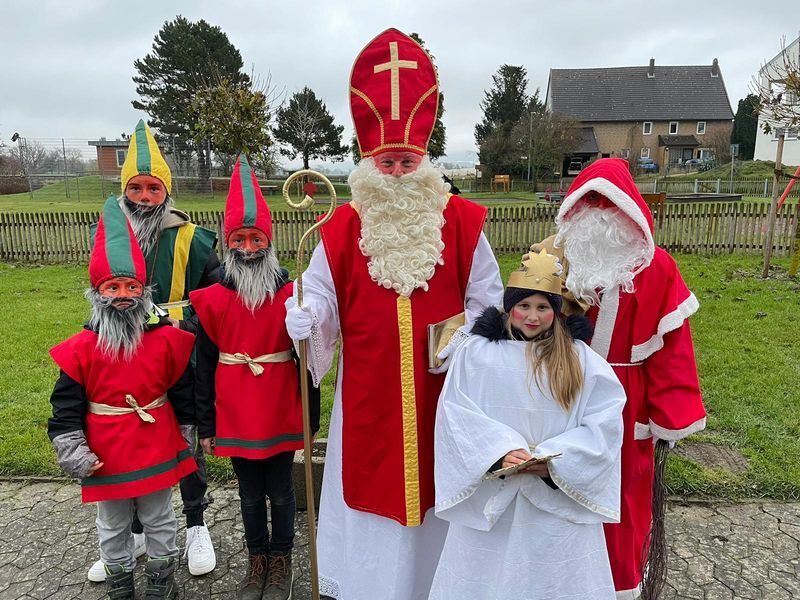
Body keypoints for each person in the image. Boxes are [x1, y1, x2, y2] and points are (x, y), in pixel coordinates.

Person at [284, 28, 503, 599]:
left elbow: (489, 301)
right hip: (368, 397)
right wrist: (305, 317)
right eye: (388, 162)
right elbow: (319, 294)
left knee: (444, 495)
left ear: (425, 160)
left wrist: (461, 339)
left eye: (408, 160)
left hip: (446, 393)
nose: (400, 173)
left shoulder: (464, 223)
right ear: (368, 162)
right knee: (371, 500)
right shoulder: (339, 228)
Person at [534, 157, 707, 598]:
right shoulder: (557, 260)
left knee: (623, 497)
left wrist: (669, 416)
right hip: (562, 390)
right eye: (588, 201)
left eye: (608, 202)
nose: (598, 212)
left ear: (629, 209)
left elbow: (673, 351)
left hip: (627, 405)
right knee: (556, 484)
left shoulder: (657, 267)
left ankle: (617, 586)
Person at [429, 248, 626, 599]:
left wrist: (555, 460)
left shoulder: (580, 359)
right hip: (494, 493)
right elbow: (456, 413)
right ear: (509, 308)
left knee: (551, 575)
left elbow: (605, 421)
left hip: (554, 496)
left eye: (543, 307)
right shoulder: (476, 353)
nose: (532, 316)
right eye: (524, 305)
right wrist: (499, 452)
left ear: (556, 311)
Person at [85, 119, 219, 582]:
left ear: (167, 191)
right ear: (125, 191)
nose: (144, 197)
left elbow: (217, 300)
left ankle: (197, 523)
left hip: (182, 356)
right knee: (133, 439)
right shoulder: (109, 233)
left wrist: (182, 325)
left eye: (153, 188)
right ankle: (137, 532)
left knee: (185, 438)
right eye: (136, 188)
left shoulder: (193, 239)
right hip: (126, 358)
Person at [47, 196, 197, 599]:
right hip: (105, 451)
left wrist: (187, 429)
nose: (123, 295)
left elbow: (182, 390)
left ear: (144, 292)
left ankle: (161, 583)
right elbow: (65, 407)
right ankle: (120, 584)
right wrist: (72, 446)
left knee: (159, 517)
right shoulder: (81, 349)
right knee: (113, 523)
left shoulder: (165, 341)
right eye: (112, 287)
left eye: (132, 287)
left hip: (155, 442)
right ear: (97, 293)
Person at [191, 155, 320, 600]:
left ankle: (281, 558)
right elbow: (204, 365)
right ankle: (256, 559)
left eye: (256, 238)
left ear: (270, 239)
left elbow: (309, 361)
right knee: (249, 494)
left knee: (281, 491)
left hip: (280, 406)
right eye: (239, 239)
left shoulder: (292, 293)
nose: (248, 248)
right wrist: (206, 425)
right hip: (236, 410)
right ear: (228, 243)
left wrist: (311, 417)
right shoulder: (212, 299)